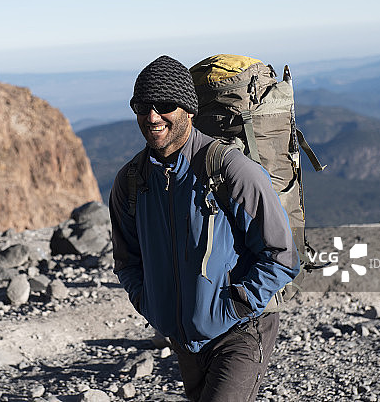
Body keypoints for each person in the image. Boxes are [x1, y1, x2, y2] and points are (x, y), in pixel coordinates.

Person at [109, 55, 300, 402]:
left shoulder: (228, 169)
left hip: (241, 329)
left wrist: (235, 305)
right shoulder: (132, 182)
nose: (152, 117)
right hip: (184, 340)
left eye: (165, 105)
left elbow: (282, 255)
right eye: (142, 106)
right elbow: (126, 260)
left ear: (188, 109)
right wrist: (154, 306)